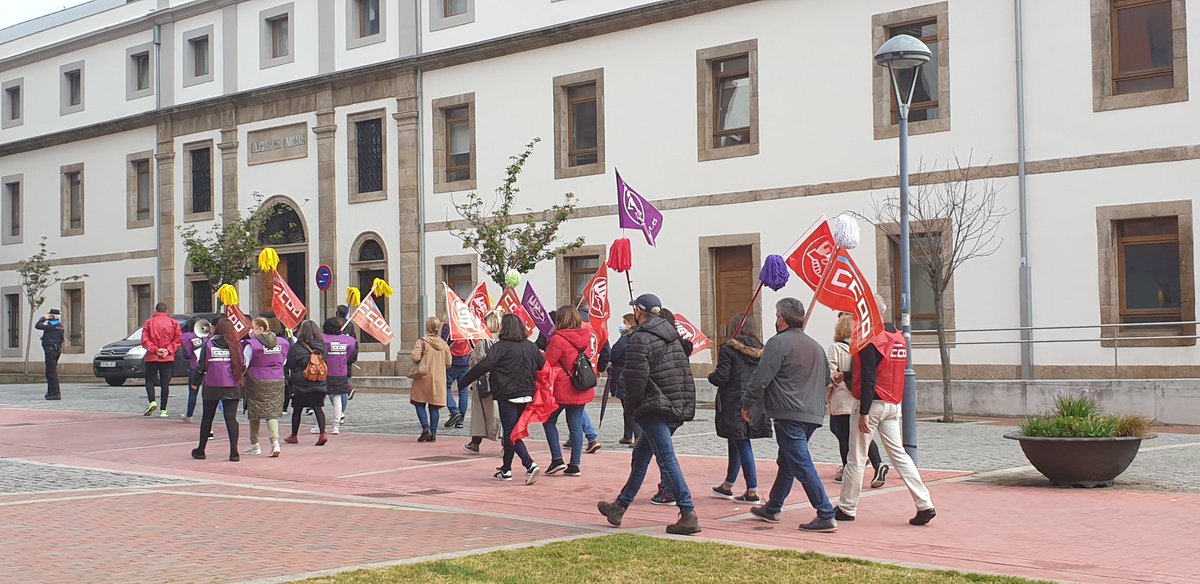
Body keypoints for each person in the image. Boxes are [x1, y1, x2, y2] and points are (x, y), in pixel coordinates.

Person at [596, 293, 701, 536]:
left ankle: (688, 512)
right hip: (673, 403)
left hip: (655, 406)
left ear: (639, 312)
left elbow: (635, 381)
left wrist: (632, 408)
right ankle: (619, 507)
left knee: (666, 458)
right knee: (642, 454)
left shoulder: (640, 339)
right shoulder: (673, 336)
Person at [837, 295, 936, 526]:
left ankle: (847, 507)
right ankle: (925, 503)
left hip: (873, 404)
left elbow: (871, 376)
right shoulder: (897, 337)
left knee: (856, 458)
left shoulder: (870, 338)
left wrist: (863, 411)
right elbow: (883, 370)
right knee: (900, 456)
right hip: (892, 403)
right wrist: (850, 376)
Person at [742, 297, 836, 532]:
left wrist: (747, 403)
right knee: (788, 461)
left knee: (801, 463)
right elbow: (825, 380)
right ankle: (772, 507)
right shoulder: (816, 346)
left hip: (789, 412)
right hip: (812, 414)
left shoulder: (778, 343)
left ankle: (825, 512)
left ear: (781, 319)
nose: (776, 320)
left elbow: (761, 378)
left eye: (776, 317)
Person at [459, 314, 546, 484]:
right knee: (510, 433)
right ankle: (506, 470)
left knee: (512, 433)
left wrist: (464, 381)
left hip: (507, 395)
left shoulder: (501, 347)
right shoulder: (530, 347)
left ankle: (530, 464)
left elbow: (484, 365)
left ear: (505, 328)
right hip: (526, 394)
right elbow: (542, 365)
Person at [709, 315, 770, 504]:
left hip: (734, 400)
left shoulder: (729, 348)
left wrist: (711, 376)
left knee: (742, 442)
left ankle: (752, 490)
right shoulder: (762, 350)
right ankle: (728, 484)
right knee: (735, 440)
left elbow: (722, 376)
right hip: (754, 400)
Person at [826, 313, 887, 488]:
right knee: (861, 434)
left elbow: (831, 373)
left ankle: (848, 471)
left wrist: (827, 394)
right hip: (857, 395)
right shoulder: (860, 347)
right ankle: (878, 463)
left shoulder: (835, 348)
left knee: (844, 437)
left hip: (841, 397)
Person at [541, 306, 596, 477]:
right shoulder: (587, 336)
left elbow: (548, 363)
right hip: (581, 385)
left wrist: (542, 355)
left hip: (562, 388)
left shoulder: (558, 339)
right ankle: (575, 465)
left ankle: (557, 459)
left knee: (549, 421)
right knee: (575, 425)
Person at [192, 319, 244, 461]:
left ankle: (201, 450)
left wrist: (195, 383)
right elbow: (242, 363)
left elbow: (201, 365)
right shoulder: (236, 345)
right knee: (231, 419)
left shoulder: (208, 344)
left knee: (207, 418)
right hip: (232, 384)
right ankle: (234, 452)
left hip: (212, 385)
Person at [242, 318, 289, 457]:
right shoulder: (283, 343)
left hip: (256, 379)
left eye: (254, 327)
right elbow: (284, 361)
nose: (252, 330)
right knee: (271, 411)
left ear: (261, 329)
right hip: (277, 379)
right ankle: (275, 443)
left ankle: (254, 444)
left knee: (254, 411)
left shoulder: (252, 345)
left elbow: (245, 362)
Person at [283, 320, 330, 446]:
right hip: (319, 381)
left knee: (297, 409)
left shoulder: (297, 347)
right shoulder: (322, 345)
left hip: (301, 384)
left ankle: (294, 435)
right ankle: (323, 433)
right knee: (318, 408)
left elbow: (291, 365)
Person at [463, 309, 503, 455]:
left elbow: (478, 363)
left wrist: (472, 356)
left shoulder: (483, 341)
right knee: (501, 414)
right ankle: (504, 443)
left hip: (485, 382)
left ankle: (475, 443)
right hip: (502, 382)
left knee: (482, 414)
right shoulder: (503, 341)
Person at [412, 317, 451, 442]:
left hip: (423, 377)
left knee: (419, 403)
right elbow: (449, 362)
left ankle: (425, 429)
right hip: (438, 378)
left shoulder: (422, 342)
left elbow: (415, 357)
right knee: (434, 406)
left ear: (427, 327)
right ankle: (433, 433)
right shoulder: (444, 344)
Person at [141, 302, 182, 417]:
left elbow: (145, 341)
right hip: (167, 357)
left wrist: (155, 349)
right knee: (165, 383)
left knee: (150, 380)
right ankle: (164, 410)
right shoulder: (173, 323)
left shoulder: (149, 322)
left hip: (152, 357)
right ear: (166, 311)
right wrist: (168, 350)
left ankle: (152, 402)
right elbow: (178, 339)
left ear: (156, 310)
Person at [319, 318, 358, 435]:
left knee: (319, 400)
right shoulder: (349, 340)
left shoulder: (321, 339)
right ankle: (336, 426)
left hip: (323, 372)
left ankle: (319, 426)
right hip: (341, 372)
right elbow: (351, 354)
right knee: (337, 399)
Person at [608, 313, 637, 446]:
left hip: (623, 374)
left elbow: (615, 353)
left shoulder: (626, 339)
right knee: (627, 408)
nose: (622, 324)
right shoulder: (630, 338)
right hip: (625, 374)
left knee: (629, 408)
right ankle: (627, 435)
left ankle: (637, 435)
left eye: (625, 322)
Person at [441, 322, 473, 429]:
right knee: (463, 390)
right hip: (466, 359)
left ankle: (454, 410)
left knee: (445, 386)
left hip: (453, 360)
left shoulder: (449, 325)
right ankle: (461, 420)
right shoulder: (467, 323)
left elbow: (443, 343)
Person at [180, 317, 209, 423]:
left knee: (193, 392)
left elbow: (186, 354)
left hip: (195, 366)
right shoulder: (208, 336)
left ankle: (189, 415)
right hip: (208, 367)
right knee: (209, 393)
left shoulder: (188, 337)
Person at [35, 309, 65, 401]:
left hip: (51, 350)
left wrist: (43, 318)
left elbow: (38, 326)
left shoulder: (52, 324)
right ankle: (52, 392)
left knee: (51, 373)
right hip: (56, 350)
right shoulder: (59, 325)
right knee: (51, 372)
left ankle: (55, 393)